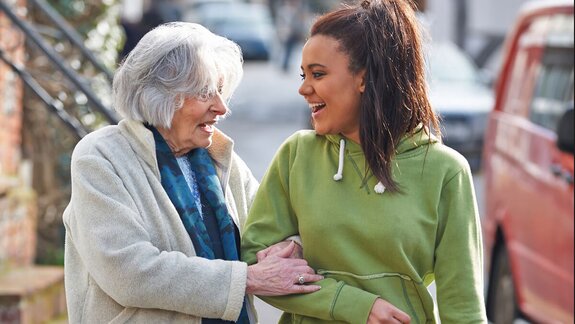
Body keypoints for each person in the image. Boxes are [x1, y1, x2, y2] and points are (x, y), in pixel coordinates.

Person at [241, 0, 488, 323]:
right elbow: (254, 266)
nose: (303, 88)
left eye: (318, 74)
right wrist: (355, 306)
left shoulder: (445, 171)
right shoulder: (297, 155)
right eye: (304, 75)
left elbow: (464, 308)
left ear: (364, 78)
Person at [62, 22, 322, 324]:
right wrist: (246, 279)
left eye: (221, 91)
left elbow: (270, 231)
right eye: (206, 93)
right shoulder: (101, 156)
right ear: (160, 94)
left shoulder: (222, 159)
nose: (222, 107)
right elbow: (128, 271)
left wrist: (287, 249)